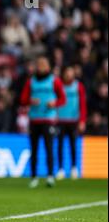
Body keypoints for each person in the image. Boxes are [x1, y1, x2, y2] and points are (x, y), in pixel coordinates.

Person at [20, 57, 66, 188]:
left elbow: (63, 99)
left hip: (48, 119)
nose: (41, 66)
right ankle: (34, 177)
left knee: (49, 148)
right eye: (39, 64)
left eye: (43, 64)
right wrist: (30, 101)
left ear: (48, 66)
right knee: (33, 149)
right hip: (34, 119)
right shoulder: (31, 81)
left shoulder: (54, 81)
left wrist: (54, 103)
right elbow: (23, 99)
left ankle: (50, 176)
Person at [56, 66, 87, 180]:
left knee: (73, 145)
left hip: (73, 120)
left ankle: (74, 168)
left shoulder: (78, 86)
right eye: (67, 72)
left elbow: (82, 104)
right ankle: (60, 169)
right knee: (59, 146)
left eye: (71, 72)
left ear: (74, 74)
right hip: (60, 120)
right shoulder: (59, 85)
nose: (68, 75)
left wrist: (82, 120)